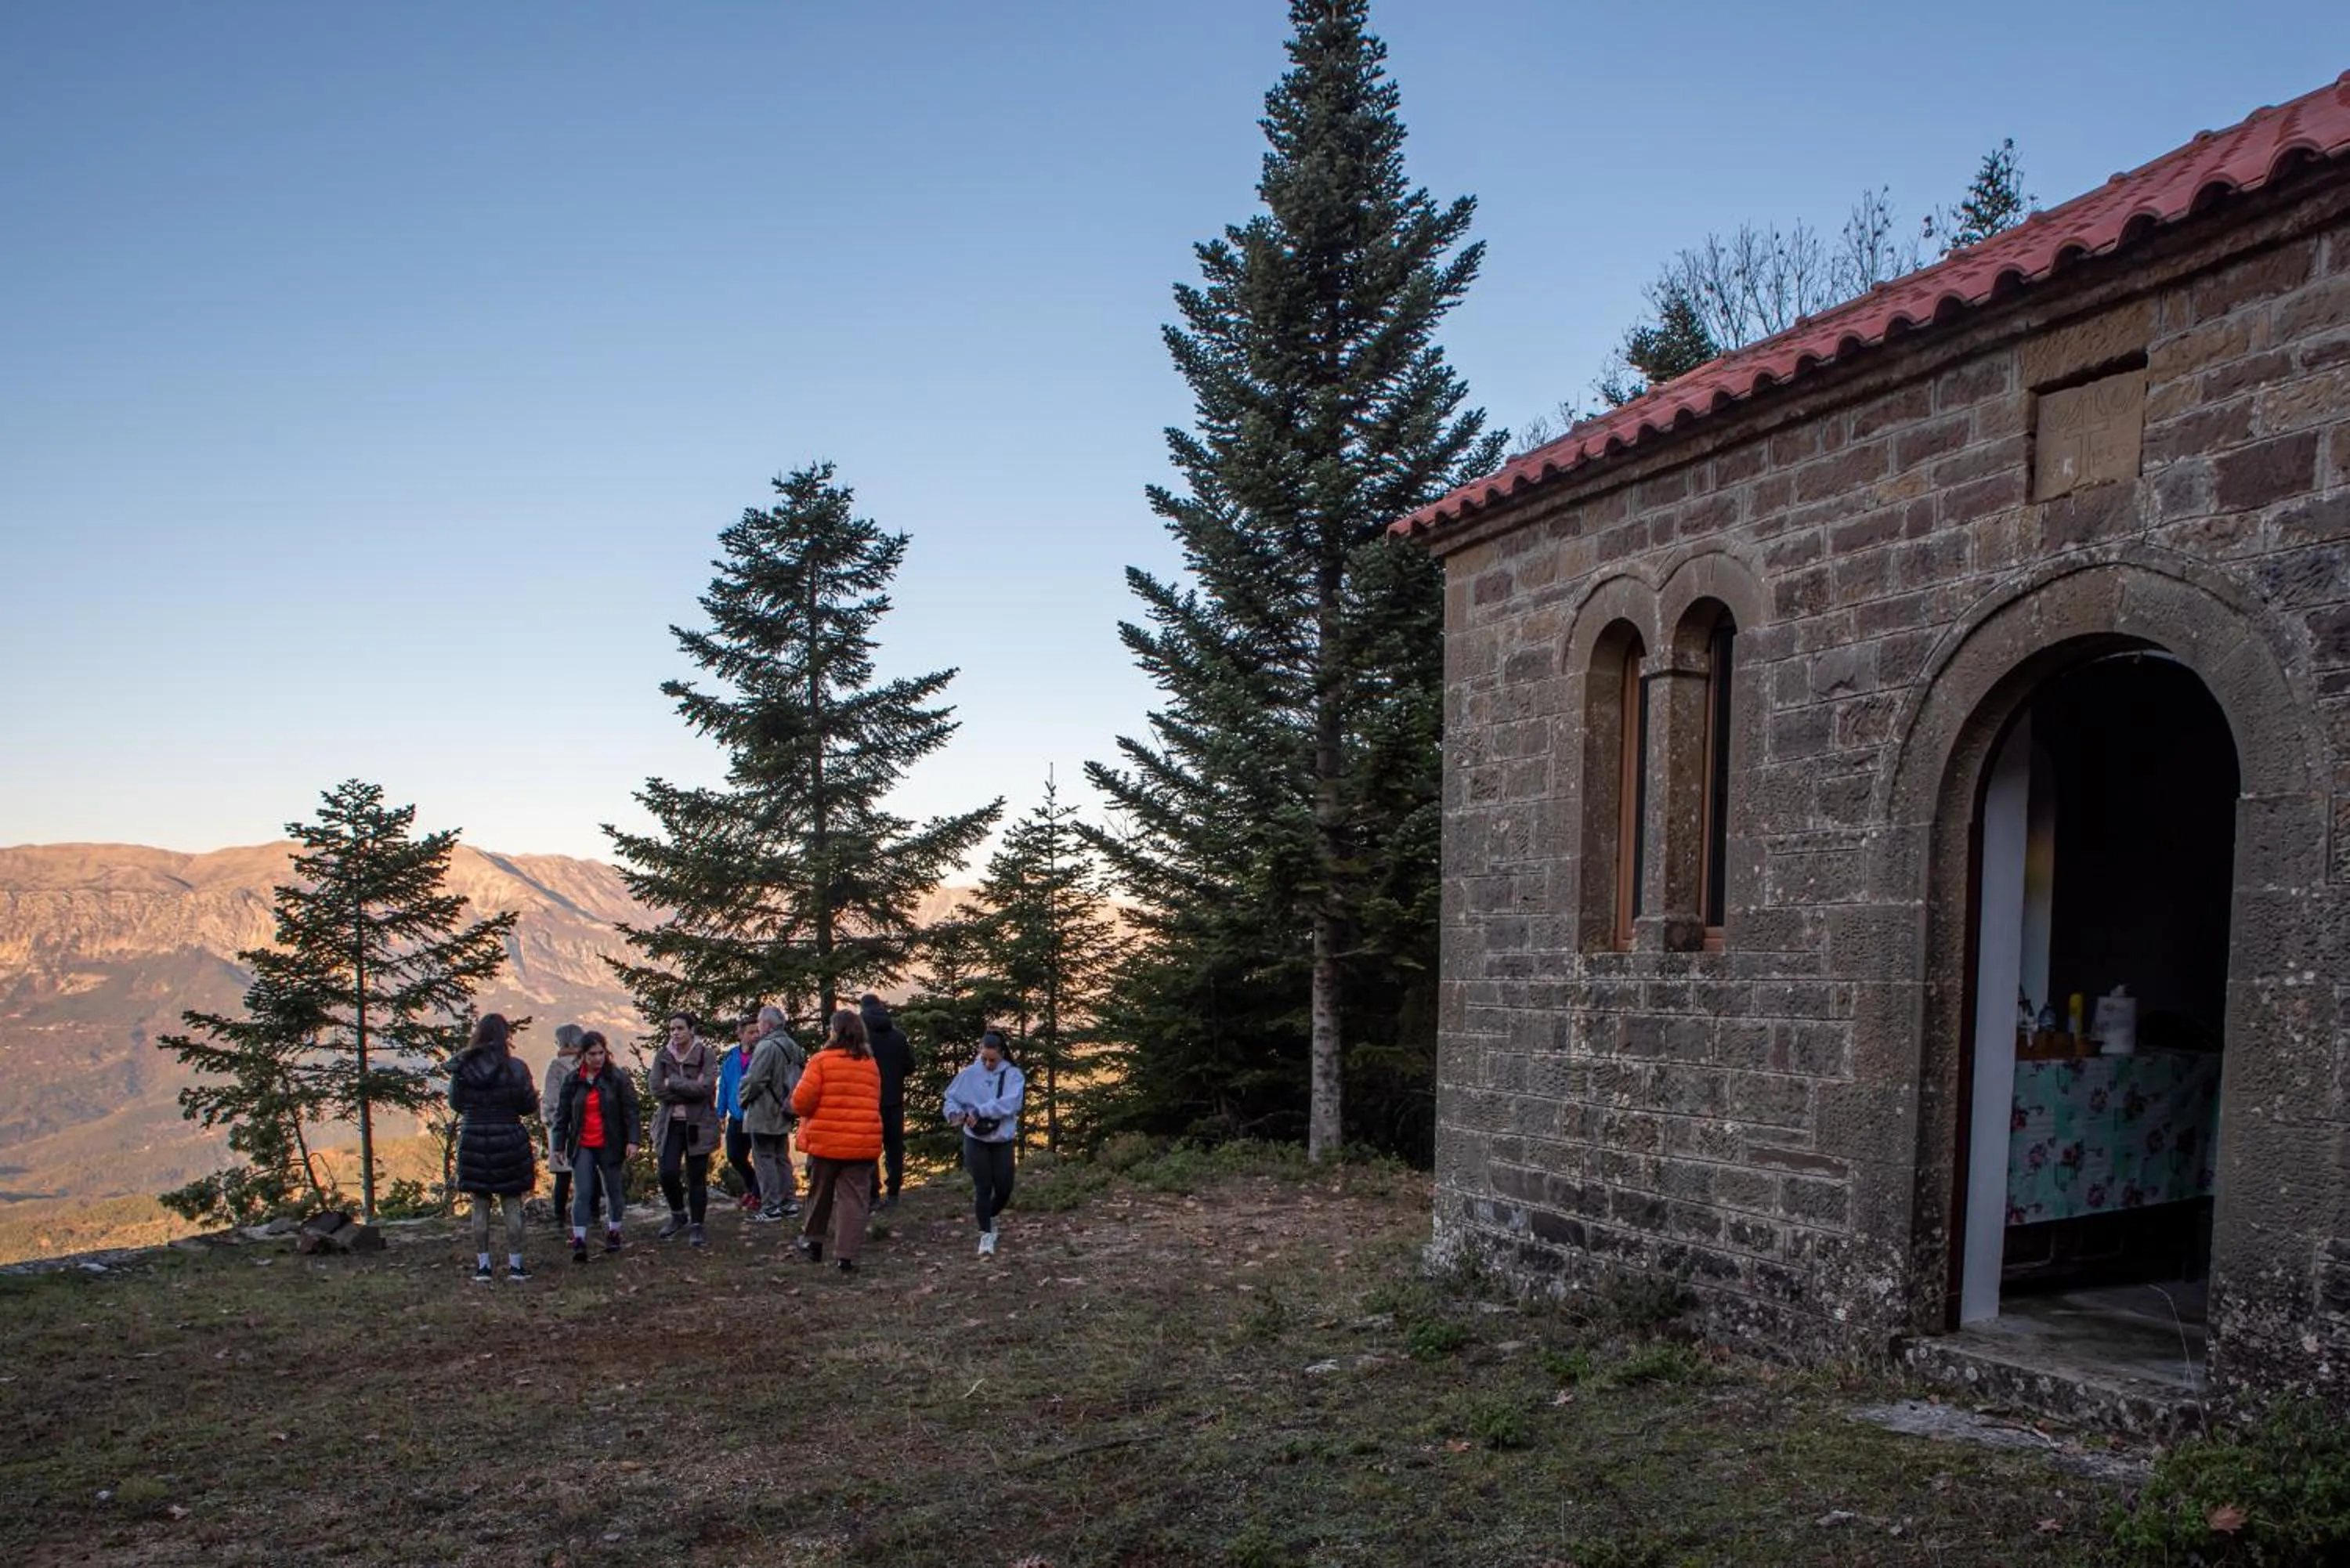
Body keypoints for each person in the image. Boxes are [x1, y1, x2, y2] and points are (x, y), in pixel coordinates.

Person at [790, 1008, 882, 1274]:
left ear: (834, 1031)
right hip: (861, 1143)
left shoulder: (820, 1060)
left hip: (826, 1141)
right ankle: (846, 1257)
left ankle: (813, 1242)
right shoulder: (870, 1064)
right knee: (854, 1199)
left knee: (820, 1193)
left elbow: (802, 1102)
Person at [451, 1013, 539, 1282]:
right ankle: (515, 1265)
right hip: (509, 1136)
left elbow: (456, 1103)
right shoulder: (516, 1068)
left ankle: (483, 1266)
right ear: (506, 1036)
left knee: (480, 1203)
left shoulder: (462, 1068)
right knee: (512, 1202)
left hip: (474, 1136)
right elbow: (528, 1106)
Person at [552, 1031, 640, 1262]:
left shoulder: (617, 1078)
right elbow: (563, 1115)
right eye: (592, 1054)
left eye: (601, 1053)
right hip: (583, 1143)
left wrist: (633, 1140)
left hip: (610, 1142)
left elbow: (630, 1110)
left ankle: (614, 1232)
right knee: (583, 1191)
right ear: (583, 1055)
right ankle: (579, 1239)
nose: (598, 1058)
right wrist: (559, 1145)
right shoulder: (573, 1080)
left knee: (613, 1190)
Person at [944, 1030, 1026, 1258]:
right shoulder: (969, 1074)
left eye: (993, 1060)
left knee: (1004, 1187)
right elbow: (951, 1098)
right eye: (985, 1059)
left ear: (1002, 1054)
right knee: (983, 1186)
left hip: (1002, 1139)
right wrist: (956, 1114)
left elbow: (1010, 1104)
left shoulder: (1013, 1075)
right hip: (975, 1138)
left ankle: (989, 1217)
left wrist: (980, 1111)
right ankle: (986, 1235)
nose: (988, 1064)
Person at [649, 1011, 721, 1245]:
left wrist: (675, 1084)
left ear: (691, 1030)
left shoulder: (705, 1055)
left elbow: (707, 1088)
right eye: (672, 1029)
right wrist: (691, 1087)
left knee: (696, 1176)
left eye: (680, 1028)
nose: (676, 1033)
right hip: (670, 1124)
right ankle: (678, 1214)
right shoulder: (663, 1056)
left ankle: (697, 1225)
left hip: (698, 1124)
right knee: (667, 1172)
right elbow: (657, 1088)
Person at [739, 1005, 804, 1223]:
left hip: (764, 1111)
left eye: (759, 1022)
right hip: (785, 1108)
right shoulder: (793, 1046)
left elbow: (756, 1080)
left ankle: (771, 1207)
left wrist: (743, 1097)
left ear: (766, 1024)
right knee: (781, 1157)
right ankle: (789, 1202)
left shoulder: (767, 1046)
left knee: (764, 1158)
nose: (758, 1027)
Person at [859, 994, 913, 1210]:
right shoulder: (898, 1036)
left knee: (870, 1149)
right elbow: (910, 1067)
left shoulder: (861, 1040)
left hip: (868, 1102)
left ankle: (873, 1194)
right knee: (894, 1148)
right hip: (894, 1101)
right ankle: (893, 1193)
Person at [716, 1014, 763, 1212]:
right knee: (735, 1156)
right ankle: (753, 1188)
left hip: (758, 1115)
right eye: (751, 1032)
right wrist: (721, 1113)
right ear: (741, 1035)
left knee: (761, 1158)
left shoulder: (762, 1054)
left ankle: (758, 1195)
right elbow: (724, 1085)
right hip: (736, 1116)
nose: (756, 1036)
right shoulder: (732, 1057)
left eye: (758, 1031)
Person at [540, 1024, 586, 1227]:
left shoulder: (556, 1066)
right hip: (587, 1125)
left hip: (562, 1127)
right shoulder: (587, 1063)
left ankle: (559, 1216)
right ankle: (591, 1214)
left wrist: (550, 1121)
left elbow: (550, 1099)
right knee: (588, 1170)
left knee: (563, 1175)